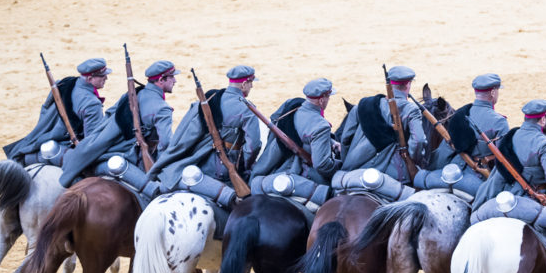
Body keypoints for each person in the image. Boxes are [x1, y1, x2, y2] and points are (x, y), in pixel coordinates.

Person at [58, 60, 180, 189]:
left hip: (107, 149)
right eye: (172, 77)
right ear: (161, 80)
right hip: (130, 156)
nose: (175, 81)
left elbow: (109, 116)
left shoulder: (133, 94)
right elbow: (165, 144)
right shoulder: (163, 109)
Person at [150, 65, 262, 193]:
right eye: (251, 83)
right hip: (225, 171)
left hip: (199, 161)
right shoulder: (247, 110)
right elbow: (253, 147)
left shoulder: (209, 99)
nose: (251, 86)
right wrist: (246, 167)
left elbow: (185, 136)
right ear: (243, 84)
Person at [3, 57, 110, 163]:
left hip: (40, 138)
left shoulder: (64, 83)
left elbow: (45, 109)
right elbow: (91, 143)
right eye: (102, 76)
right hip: (62, 146)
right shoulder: (92, 104)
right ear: (90, 79)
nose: (106, 78)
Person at [471, 98, 546, 208]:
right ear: (543, 120)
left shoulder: (512, 135)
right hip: (535, 197)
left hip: (507, 191)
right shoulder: (545, 144)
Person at [339, 65, 426, 184]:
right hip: (395, 174)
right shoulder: (411, 109)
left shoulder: (362, 104)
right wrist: (414, 161)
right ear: (408, 84)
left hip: (354, 168)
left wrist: (347, 161)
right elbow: (418, 141)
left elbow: (345, 139)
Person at [251, 78, 341, 185]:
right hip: (304, 175)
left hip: (279, 166)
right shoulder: (321, 126)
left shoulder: (292, 106)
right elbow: (322, 166)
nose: (328, 100)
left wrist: (332, 142)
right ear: (321, 100)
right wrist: (339, 167)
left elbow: (275, 119)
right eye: (328, 97)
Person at [430, 72, 509, 171]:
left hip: (453, 167)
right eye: (497, 90)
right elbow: (503, 159)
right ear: (493, 93)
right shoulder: (499, 122)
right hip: (481, 173)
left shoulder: (459, 114)